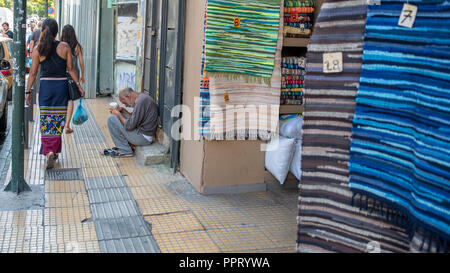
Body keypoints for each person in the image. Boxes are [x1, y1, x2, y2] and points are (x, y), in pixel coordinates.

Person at [25, 18, 85, 169]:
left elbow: (32, 73)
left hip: (45, 87)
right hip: (60, 87)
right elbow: (71, 69)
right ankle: (53, 151)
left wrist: (27, 91)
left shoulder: (38, 49)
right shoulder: (64, 46)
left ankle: (48, 152)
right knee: (57, 121)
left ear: (43, 30)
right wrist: (79, 86)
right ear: (57, 31)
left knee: (46, 121)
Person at [104, 88, 159, 158]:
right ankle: (125, 146)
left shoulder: (141, 102)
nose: (126, 105)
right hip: (142, 133)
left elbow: (130, 126)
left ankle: (125, 150)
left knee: (112, 118)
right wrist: (123, 110)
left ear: (127, 96)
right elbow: (134, 119)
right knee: (117, 116)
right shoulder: (141, 97)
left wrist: (118, 114)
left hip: (144, 138)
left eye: (124, 103)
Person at [60, 24, 85, 134]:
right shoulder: (76, 46)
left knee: (62, 99)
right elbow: (81, 63)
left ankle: (61, 124)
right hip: (73, 75)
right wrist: (82, 76)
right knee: (70, 100)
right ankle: (67, 125)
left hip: (61, 74)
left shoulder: (61, 46)